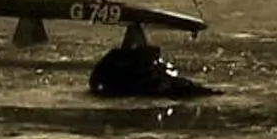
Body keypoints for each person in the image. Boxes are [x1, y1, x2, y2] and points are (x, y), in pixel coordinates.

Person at [88, 21, 217, 100]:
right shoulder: (129, 69)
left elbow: (95, 81)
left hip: (129, 78)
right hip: (133, 78)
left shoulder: (116, 68)